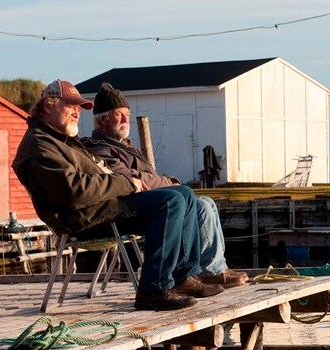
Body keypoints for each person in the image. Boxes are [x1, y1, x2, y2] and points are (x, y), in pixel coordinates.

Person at [11, 79, 224, 311]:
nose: (76, 113)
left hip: (103, 206)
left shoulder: (60, 140)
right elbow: (74, 192)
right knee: (170, 202)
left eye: (78, 108)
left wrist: (126, 184)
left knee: (183, 193)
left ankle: (182, 277)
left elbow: (94, 178)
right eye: (70, 106)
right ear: (49, 105)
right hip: (83, 218)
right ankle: (153, 289)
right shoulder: (40, 145)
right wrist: (126, 183)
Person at [81, 82, 248, 289]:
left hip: (148, 199)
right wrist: (169, 183)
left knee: (207, 201)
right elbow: (129, 178)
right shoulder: (98, 149)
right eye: (119, 114)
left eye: (127, 114)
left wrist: (161, 182)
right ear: (102, 120)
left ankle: (214, 268)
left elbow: (146, 176)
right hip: (128, 207)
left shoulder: (124, 147)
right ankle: (203, 272)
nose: (126, 119)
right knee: (199, 206)